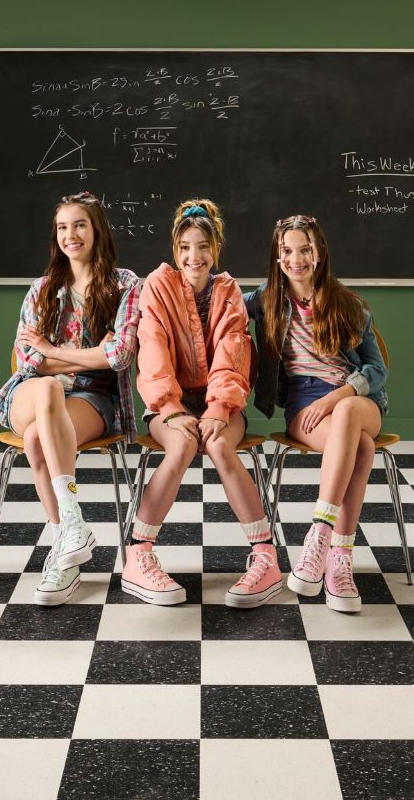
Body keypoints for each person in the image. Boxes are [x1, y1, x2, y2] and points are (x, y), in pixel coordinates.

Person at [0, 192, 141, 606]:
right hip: (30, 390)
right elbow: (27, 359)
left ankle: (64, 552)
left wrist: (51, 351)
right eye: (62, 227)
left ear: (97, 230)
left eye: (79, 225)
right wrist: (84, 357)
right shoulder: (42, 288)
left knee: (38, 437)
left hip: (92, 398)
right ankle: (74, 522)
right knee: (48, 390)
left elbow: (120, 355)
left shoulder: (125, 284)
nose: (70, 235)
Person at [128, 198, 282, 607]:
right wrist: (171, 408)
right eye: (184, 248)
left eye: (202, 247)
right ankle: (137, 553)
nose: (193, 256)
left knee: (218, 444)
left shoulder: (228, 290)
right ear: (174, 250)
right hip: (169, 401)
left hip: (220, 400)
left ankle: (265, 557)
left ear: (215, 250)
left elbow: (233, 349)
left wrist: (217, 407)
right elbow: (152, 350)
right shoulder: (157, 286)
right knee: (180, 446)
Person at [244, 215, 388, 613]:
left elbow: (377, 370)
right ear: (277, 256)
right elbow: (218, 313)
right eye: (287, 250)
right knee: (361, 447)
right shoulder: (266, 300)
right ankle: (340, 563)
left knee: (349, 417)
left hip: (356, 399)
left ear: (319, 252)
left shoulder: (347, 303)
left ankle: (319, 534)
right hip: (304, 405)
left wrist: (338, 396)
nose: (296, 259)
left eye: (305, 249)